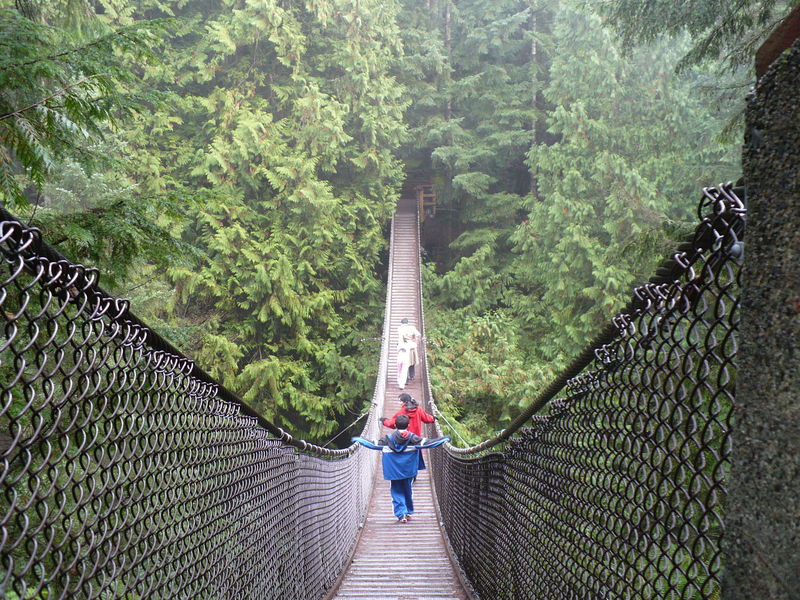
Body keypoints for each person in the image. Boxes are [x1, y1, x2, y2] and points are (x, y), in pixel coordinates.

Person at [353, 414, 449, 523]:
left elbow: (374, 444)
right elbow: (428, 443)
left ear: (395, 425)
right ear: (408, 425)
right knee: (407, 489)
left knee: (396, 491)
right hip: (409, 470)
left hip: (393, 471)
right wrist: (444, 439)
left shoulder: (388, 439)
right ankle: (407, 511)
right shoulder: (413, 438)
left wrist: (358, 439)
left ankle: (401, 513)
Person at [381, 394, 436, 471]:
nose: (399, 403)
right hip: (416, 439)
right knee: (415, 454)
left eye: (400, 401)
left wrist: (384, 421)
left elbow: (392, 424)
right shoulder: (418, 409)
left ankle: (406, 472)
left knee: (405, 455)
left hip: (404, 438)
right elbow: (426, 418)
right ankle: (414, 473)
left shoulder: (402, 411)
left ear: (404, 402)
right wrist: (433, 418)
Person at [397, 318, 421, 384]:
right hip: (412, 347)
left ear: (401, 323)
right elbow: (418, 335)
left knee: (404, 363)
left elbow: (400, 340)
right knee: (411, 362)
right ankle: (412, 376)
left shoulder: (400, 329)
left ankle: (406, 379)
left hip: (404, 347)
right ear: (407, 323)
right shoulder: (412, 328)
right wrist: (415, 341)